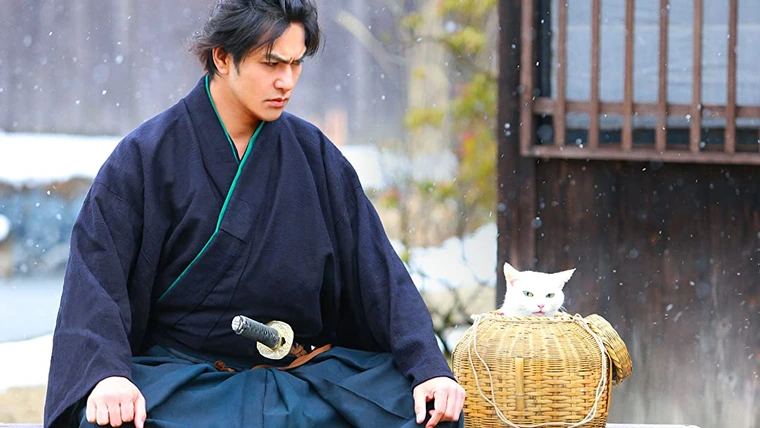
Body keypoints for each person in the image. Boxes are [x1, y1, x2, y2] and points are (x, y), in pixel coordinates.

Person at [43, 0, 465, 427]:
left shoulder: (315, 156)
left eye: (296, 64)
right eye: (271, 63)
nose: (286, 81)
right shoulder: (145, 156)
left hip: (304, 379)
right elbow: (96, 281)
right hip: (189, 386)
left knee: (430, 412)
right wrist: (109, 376)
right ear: (222, 58)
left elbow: (378, 273)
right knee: (110, 419)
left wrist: (427, 365)